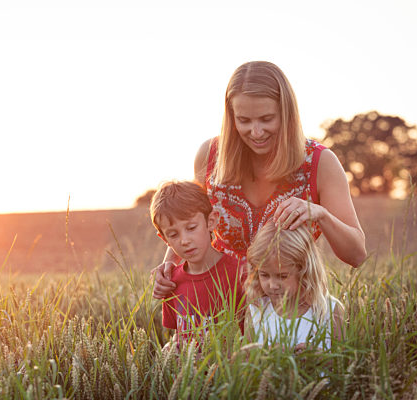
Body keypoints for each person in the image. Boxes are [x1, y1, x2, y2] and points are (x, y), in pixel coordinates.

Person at [153, 61, 366, 299]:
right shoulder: (210, 156)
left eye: (266, 119)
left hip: (289, 310)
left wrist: (320, 214)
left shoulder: (320, 163)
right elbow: (188, 219)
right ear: (231, 116)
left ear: (287, 114)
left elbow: (356, 255)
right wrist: (169, 264)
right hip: (220, 306)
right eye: (244, 120)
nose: (256, 132)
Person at [150, 180, 245, 349]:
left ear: (211, 221)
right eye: (173, 234)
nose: (185, 241)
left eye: (191, 228)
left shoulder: (238, 274)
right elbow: (179, 338)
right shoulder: (172, 283)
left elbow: (249, 335)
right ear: (164, 239)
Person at [244, 219, 344, 350]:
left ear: (304, 271)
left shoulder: (329, 310)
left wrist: (321, 358)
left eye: (282, 276)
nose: (273, 285)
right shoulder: (257, 312)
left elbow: (343, 363)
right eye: (264, 275)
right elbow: (246, 362)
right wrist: (266, 355)